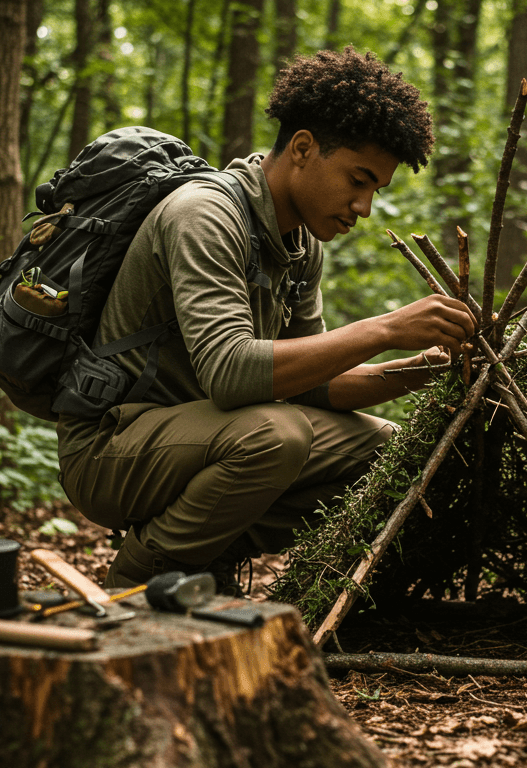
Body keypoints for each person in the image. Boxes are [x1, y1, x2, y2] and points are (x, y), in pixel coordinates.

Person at [57, 48, 476, 589]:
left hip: (204, 439)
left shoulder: (300, 245)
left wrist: (422, 367)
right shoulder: (203, 214)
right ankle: (137, 582)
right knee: (276, 435)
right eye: (358, 179)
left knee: (387, 451)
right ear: (303, 148)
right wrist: (387, 328)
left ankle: (209, 555)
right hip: (109, 451)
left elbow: (310, 387)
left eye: (375, 189)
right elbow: (231, 374)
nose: (365, 206)